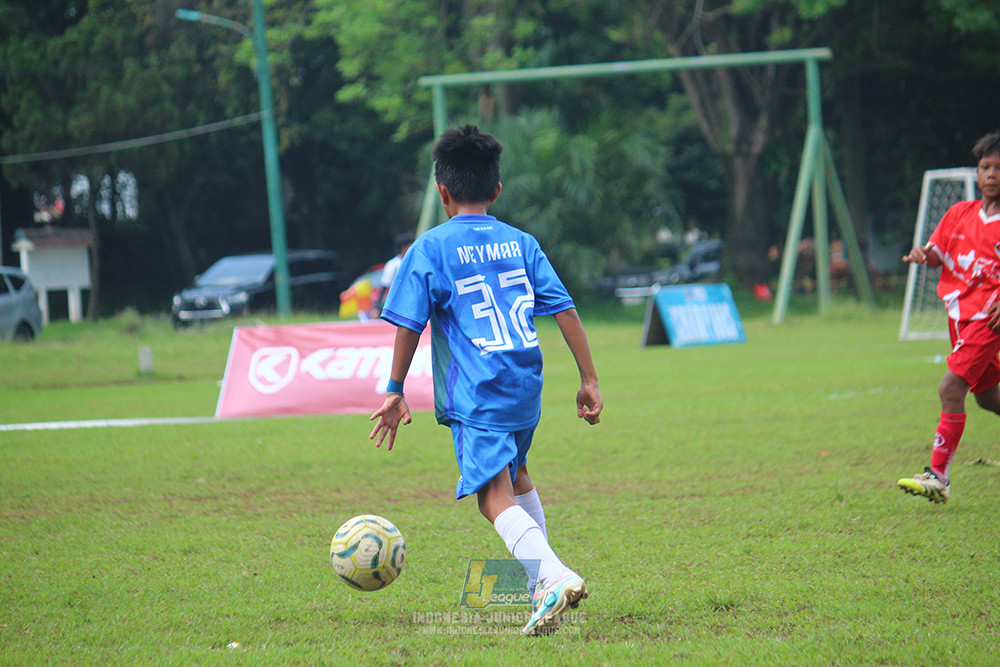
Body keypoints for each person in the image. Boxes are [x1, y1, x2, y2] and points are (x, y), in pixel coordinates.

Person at [368, 125, 603, 635]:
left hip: (479, 390)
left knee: (490, 496)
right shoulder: (521, 242)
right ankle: (545, 590)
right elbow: (564, 308)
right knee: (516, 478)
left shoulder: (429, 249)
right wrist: (589, 380)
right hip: (525, 384)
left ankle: (552, 577)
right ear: (497, 190)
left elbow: (410, 324)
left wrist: (394, 388)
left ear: (442, 192)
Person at [898, 130, 1000, 503]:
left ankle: (938, 476)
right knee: (988, 398)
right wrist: (924, 255)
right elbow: (937, 250)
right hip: (958, 316)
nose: (991, 174)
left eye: (998, 168)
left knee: (950, 388)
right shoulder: (960, 213)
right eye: (985, 167)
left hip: (989, 320)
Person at [375, 231, 414, 314]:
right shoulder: (393, 264)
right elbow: (384, 286)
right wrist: (377, 308)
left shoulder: (414, 262)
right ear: (404, 248)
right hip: (397, 304)